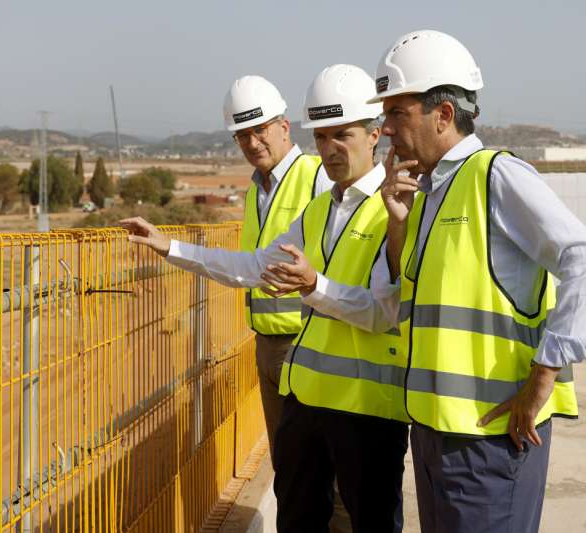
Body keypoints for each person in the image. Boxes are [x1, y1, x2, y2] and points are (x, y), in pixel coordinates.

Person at [122, 65, 409, 532]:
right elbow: (251, 267)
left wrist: (313, 285)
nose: (331, 149)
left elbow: (384, 311)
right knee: (297, 513)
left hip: (367, 407)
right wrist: (168, 246)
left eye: (344, 135)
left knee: (362, 519)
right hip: (308, 394)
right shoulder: (321, 210)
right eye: (323, 137)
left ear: (375, 135)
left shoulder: (395, 210)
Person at [364, 29, 582, 532]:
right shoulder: (426, 194)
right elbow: (391, 300)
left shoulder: (496, 176)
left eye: (397, 113)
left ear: (443, 114)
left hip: (490, 438)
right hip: (434, 433)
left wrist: (544, 375)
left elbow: (581, 256)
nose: (387, 129)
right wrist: (397, 222)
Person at [130, 74, 330, 459]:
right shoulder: (257, 189)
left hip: (309, 344)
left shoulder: (318, 178)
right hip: (267, 346)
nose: (252, 143)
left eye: (260, 130)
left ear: (284, 127)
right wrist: (168, 246)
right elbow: (249, 266)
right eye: (242, 135)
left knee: (321, 475)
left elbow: (254, 268)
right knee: (288, 469)